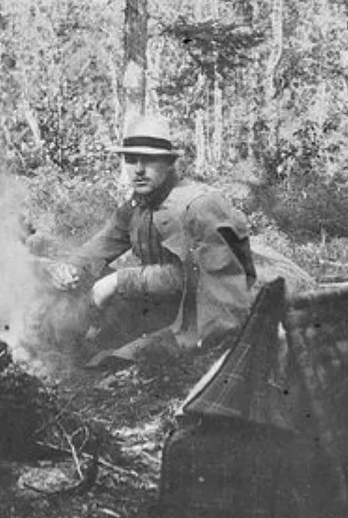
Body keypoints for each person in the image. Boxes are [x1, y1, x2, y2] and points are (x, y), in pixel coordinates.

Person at [46, 115, 257, 364]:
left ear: (169, 163)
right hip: (162, 308)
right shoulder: (137, 206)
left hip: (204, 317)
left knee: (114, 362)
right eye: (131, 159)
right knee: (65, 330)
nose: (138, 169)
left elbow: (199, 278)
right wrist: (68, 268)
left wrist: (118, 280)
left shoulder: (199, 205)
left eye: (148, 159)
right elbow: (100, 246)